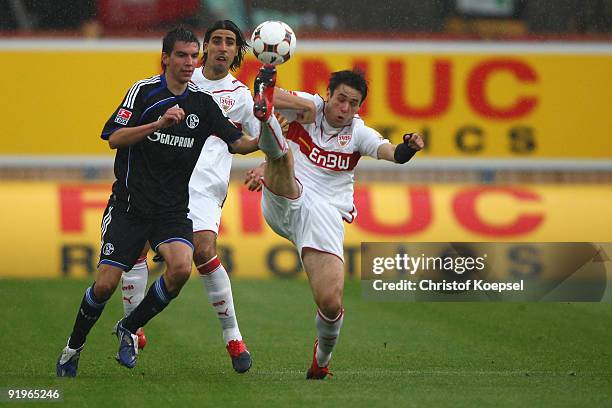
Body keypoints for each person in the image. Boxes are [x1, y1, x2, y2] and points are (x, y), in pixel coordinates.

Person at [56, 26, 267, 377]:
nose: (189, 62)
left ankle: (131, 326)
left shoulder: (206, 104)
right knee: (106, 283)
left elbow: (240, 143)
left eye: (191, 56)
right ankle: (73, 347)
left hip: (173, 206)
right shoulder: (144, 92)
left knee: (184, 266)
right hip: (130, 204)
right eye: (182, 56)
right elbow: (114, 138)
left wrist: (267, 132)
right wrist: (157, 124)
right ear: (166, 59)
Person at [117, 20, 314, 374]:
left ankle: (233, 336)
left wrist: (267, 127)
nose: (222, 47)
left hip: (205, 187)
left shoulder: (239, 95)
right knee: (135, 249)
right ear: (205, 47)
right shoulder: (180, 80)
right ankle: (132, 326)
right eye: (217, 41)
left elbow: (265, 144)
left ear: (239, 51)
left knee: (204, 250)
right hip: (160, 180)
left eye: (230, 42)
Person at [246, 67, 424, 379]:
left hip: (323, 214)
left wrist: (408, 147)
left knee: (330, 302)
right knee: (283, 155)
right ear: (328, 95)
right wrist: (284, 100)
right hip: (286, 198)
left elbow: (393, 153)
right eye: (340, 99)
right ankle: (270, 146)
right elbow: (265, 102)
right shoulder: (309, 106)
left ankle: (322, 359)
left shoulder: (358, 133)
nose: (344, 109)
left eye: (353, 104)